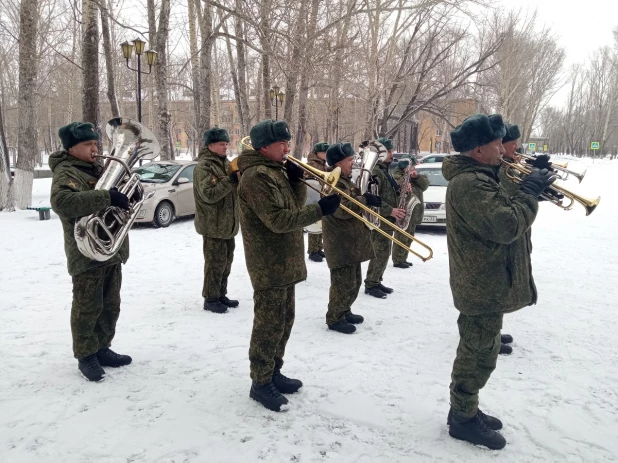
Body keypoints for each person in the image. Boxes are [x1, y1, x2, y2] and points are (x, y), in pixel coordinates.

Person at [442, 114, 555, 449]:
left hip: (487, 281)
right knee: (476, 353)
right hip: (480, 285)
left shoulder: (482, 176)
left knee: (483, 351)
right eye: (496, 144)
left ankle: (464, 409)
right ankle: (462, 418)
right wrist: (530, 190)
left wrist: (533, 184)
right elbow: (506, 224)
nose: (502, 149)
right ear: (478, 150)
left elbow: (505, 200)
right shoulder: (470, 184)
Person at [237, 119, 341, 411]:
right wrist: (320, 209)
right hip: (268, 262)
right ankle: (260, 381)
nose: (287, 148)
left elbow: (292, 208)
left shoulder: (274, 170)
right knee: (268, 324)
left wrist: (295, 181)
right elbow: (279, 220)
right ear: (264, 147)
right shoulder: (256, 176)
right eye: (282, 143)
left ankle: (274, 371)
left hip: (284, 258)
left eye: (288, 142)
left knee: (284, 320)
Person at [50, 122, 133, 382]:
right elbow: (63, 203)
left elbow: (115, 200)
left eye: (96, 143)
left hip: (110, 250)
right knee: (88, 307)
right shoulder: (66, 172)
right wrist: (106, 197)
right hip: (85, 252)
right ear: (72, 147)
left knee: (110, 306)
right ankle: (86, 355)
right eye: (88, 145)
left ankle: (102, 348)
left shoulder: (99, 168)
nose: (95, 149)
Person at [322, 143, 380, 334]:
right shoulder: (333, 181)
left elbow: (354, 196)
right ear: (338, 162)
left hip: (351, 242)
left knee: (354, 281)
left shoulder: (345, 180)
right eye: (349, 160)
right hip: (340, 243)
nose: (353, 163)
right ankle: (334, 317)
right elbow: (341, 210)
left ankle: (345, 310)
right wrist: (366, 200)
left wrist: (365, 194)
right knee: (342, 283)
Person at [193, 127, 239, 314]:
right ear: (210, 145)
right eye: (222, 144)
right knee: (214, 264)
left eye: (227, 143)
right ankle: (210, 298)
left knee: (226, 262)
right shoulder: (204, 166)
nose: (225, 147)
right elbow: (209, 194)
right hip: (213, 225)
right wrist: (230, 181)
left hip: (228, 225)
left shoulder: (225, 163)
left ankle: (220, 293)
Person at [364, 137, 406, 299]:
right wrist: (390, 210)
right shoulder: (375, 171)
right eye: (388, 151)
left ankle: (377, 279)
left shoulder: (384, 170)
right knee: (379, 252)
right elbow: (371, 197)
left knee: (384, 252)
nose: (391, 154)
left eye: (391, 151)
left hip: (387, 220)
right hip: (381, 219)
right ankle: (371, 283)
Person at [391, 156, 429, 269]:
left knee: (409, 237)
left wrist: (416, 177)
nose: (413, 169)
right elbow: (398, 184)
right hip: (403, 211)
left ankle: (404, 257)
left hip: (414, 212)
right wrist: (406, 179)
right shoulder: (397, 175)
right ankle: (398, 259)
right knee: (401, 236)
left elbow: (425, 185)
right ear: (404, 167)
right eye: (411, 166)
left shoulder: (416, 177)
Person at [306, 142, 329, 262]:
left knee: (321, 223)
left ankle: (319, 247)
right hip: (314, 196)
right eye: (324, 152)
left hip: (321, 194)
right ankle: (312, 250)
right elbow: (308, 180)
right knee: (314, 223)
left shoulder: (322, 164)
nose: (326, 155)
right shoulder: (312, 164)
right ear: (317, 153)